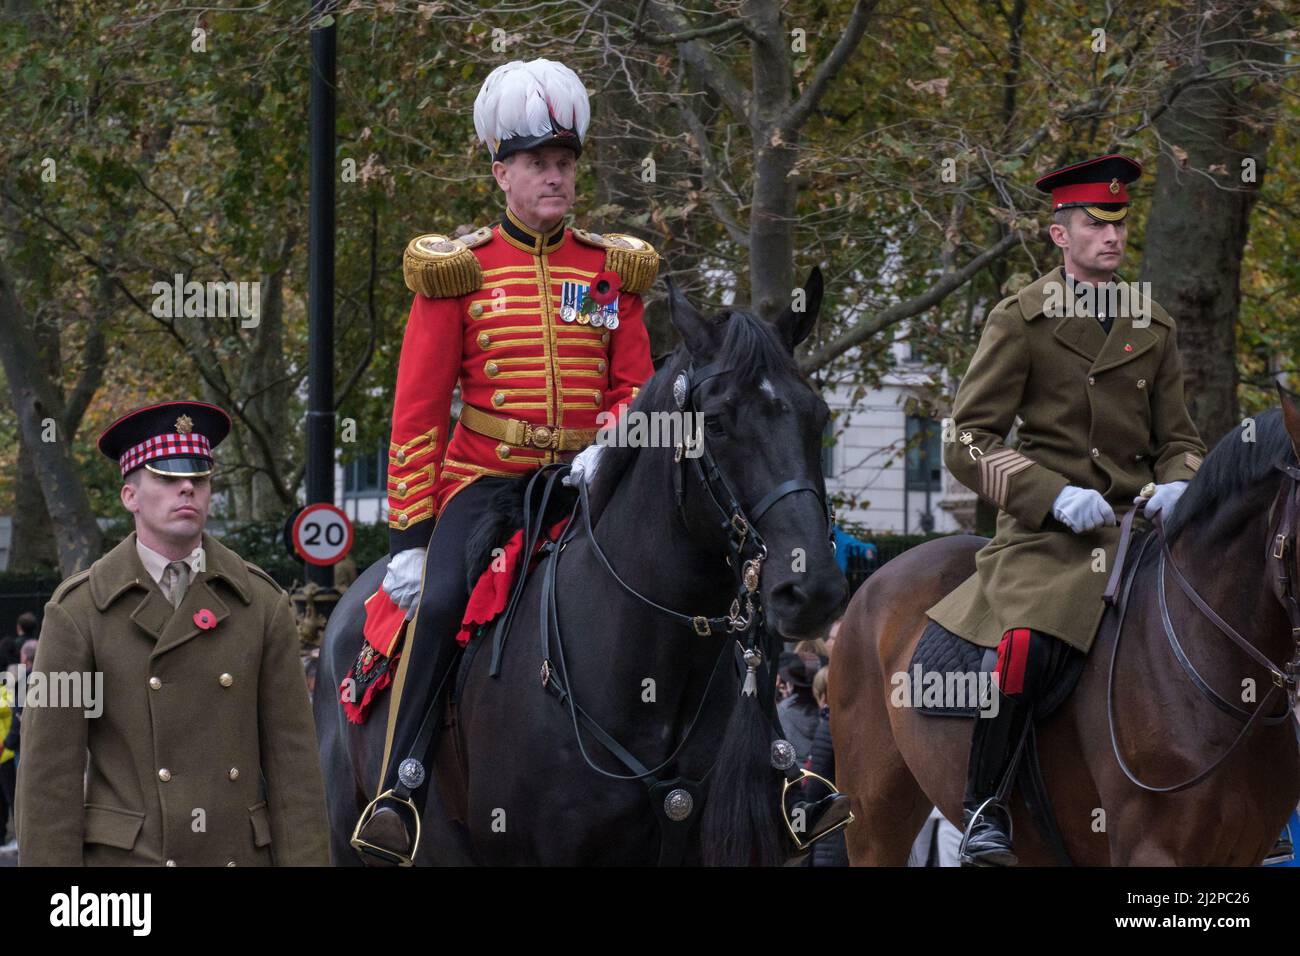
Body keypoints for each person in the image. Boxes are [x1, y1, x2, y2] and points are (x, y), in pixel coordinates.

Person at [353, 58, 658, 863]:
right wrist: (410, 539)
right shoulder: (458, 271)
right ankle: (402, 782)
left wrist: (611, 449)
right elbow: (417, 415)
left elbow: (637, 387)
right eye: (537, 164)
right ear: (502, 173)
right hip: (485, 485)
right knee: (444, 599)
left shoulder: (610, 270)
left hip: (591, 482)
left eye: (565, 163)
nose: (555, 178)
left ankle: (774, 772)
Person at [927, 155, 1207, 866]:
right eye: (1095, 224)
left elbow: (1179, 440)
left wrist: (1182, 481)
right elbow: (966, 440)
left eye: (1119, 224)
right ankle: (986, 807)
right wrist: (1051, 493)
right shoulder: (1020, 319)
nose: (1112, 237)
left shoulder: (1156, 324)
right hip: (1051, 533)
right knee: (1027, 641)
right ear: (1060, 236)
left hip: (1141, 527)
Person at [16, 401, 329, 866]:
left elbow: (295, 769)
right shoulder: (77, 611)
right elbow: (48, 781)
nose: (187, 488)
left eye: (199, 479)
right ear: (130, 496)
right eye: (165, 477)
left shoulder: (262, 604)